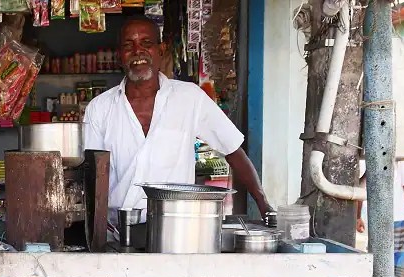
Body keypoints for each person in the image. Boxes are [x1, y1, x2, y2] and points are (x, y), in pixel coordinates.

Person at [83, 17, 273, 225]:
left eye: (146, 43)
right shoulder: (99, 108)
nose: (138, 51)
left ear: (161, 49)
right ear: (120, 55)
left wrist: (263, 204)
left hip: (176, 229)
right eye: (129, 45)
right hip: (116, 229)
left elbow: (232, 150)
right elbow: (92, 173)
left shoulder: (190, 98)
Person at [357, 160, 404, 277]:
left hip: (378, 216)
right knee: (396, 258)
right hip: (395, 216)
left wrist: (358, 216)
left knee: (381, 257)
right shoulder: (401, 155)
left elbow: (360, 188)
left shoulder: (366, 156)